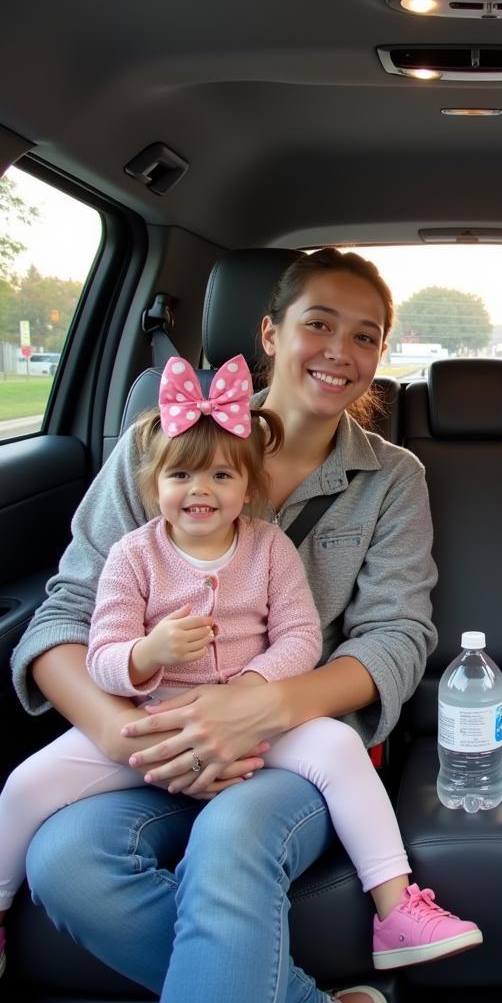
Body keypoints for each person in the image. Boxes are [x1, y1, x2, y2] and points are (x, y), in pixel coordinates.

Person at [9, 248, 448, 1003]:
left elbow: (396, 636)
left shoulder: (391, 476)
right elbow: (64, 616)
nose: (341, 352)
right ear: (271, 334)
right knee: (63, 861)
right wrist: (123, 733)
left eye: (367, 335)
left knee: (230, 839)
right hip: (146, 737)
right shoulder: (157, 450)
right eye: (319, 324)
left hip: (289, 752)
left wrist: (261, 708)